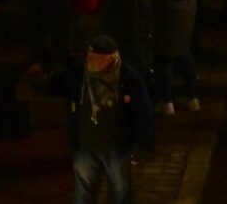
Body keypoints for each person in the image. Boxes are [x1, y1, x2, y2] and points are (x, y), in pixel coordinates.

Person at [34, 35, 155, 204]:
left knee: (120, 192)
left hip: (117, 147)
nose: (93, 62)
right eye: (91, 58)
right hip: (85, 146)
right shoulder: (78, 73)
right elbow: (56, 85)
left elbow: (143, 111)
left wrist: (142, 142)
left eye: (98, 59)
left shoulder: (129, 78)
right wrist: (39, 81)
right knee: (83, 194)